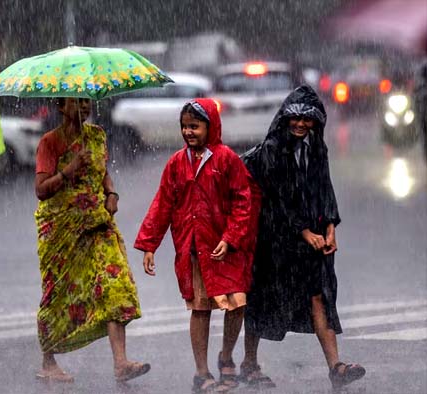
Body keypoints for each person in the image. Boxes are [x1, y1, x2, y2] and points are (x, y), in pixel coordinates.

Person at [240, 85, 365, 390]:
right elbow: (278, 197)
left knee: (318, 297)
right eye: (295, 118)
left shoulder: (316, 147)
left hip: (312, 238)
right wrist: (303, 231)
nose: (300, 124)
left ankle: (336, 367)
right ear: (285, 118)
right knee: (262, 299)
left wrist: (331, 225)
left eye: (307, 120)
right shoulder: (271, 150)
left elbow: (324, 187)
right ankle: (248, 363)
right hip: (276, 240)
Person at [134, 99, 256, 393]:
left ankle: (226, 356)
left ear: (210, 127)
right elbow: (162, 205)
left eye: (195, 126)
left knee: (236, 304)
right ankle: (202, 373)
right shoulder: (176, 164)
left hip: (226, 249)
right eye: (185, 126)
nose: (189, 132)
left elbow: (243, 202)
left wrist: (230, 237)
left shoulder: (227, 160)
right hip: (194, 250)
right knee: (200, 309)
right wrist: (150, 245)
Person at [33, 97, 149, 383]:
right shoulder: (50, 142)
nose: (84, 107)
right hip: (62, 229)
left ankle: (121, 362)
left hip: (98, 223)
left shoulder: (97, 135)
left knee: (114, 284)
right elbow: (41, 190)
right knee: (58, 294)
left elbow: (103, 173)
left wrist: (111, 194)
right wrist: (69, 169)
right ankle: (48, 362)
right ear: (61, 107)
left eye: (87, 102)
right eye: (77, 102)